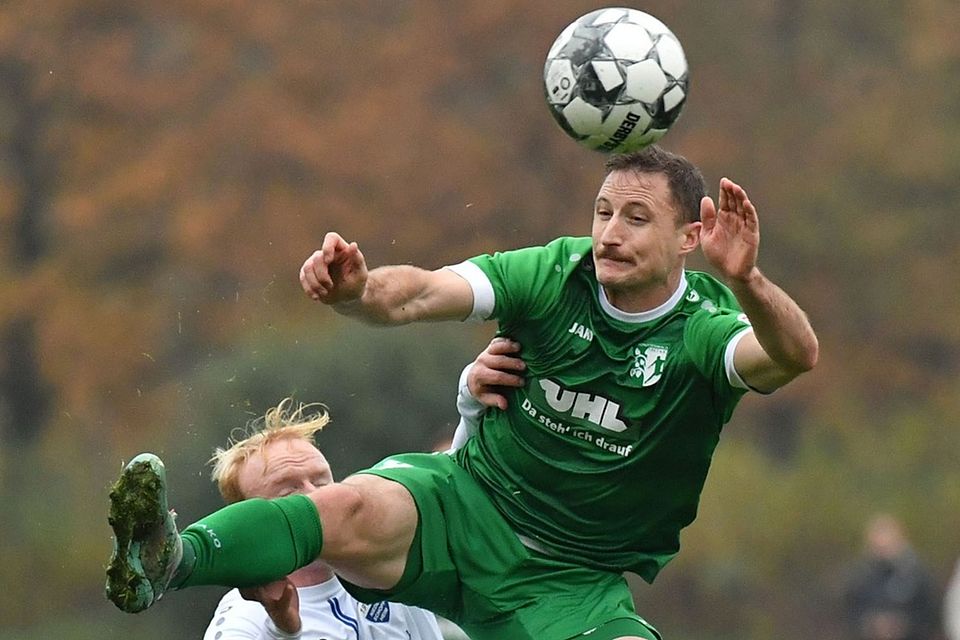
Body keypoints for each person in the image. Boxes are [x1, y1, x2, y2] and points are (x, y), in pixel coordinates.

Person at [106, 145, 818, 640]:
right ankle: (171, 559)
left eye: (636, 219)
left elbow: (792, 356)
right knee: (347, 504)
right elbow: (421, 292)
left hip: (571, 579)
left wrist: (749, 280)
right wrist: (359, 292)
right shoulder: (553, 275)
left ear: (691, 236)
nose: (609, 234)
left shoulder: (702, 329)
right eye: (603, 212)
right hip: (464, 505)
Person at [201, 399, 445, 640]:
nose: (317, 496)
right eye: (289, 491)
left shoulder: (391, 567)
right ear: (250, 525)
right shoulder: (244, 620)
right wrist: (284, 634)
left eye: (321, 482)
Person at [843, 514, 937, 640]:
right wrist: (870, 625)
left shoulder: (917, 574)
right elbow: (850, 610)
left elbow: (929, 612)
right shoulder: (859, 576)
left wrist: (903, 625)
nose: (882, 543)